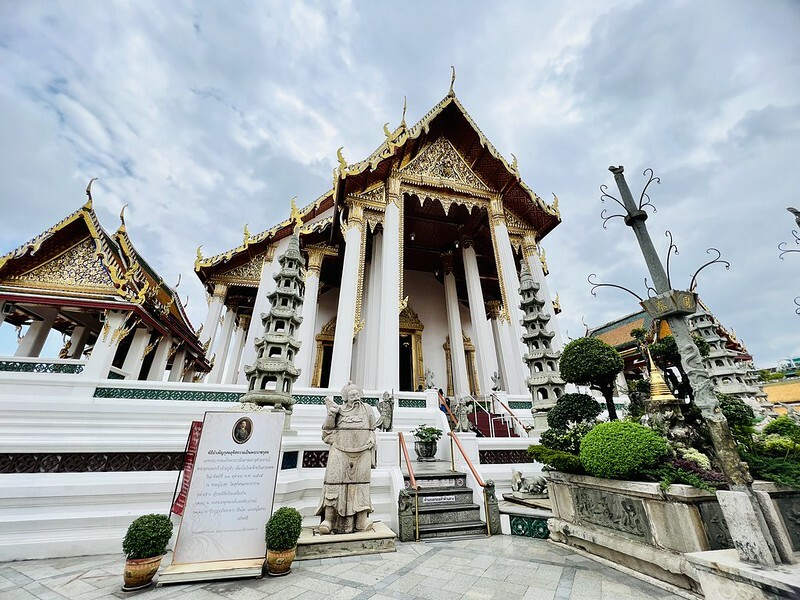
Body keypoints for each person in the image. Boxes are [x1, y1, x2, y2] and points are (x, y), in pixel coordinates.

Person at [316, 381, 377, 534]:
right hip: (340, 451)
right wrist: (331, 414)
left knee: (362, 487)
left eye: (357, 394)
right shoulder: (338, 410)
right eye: (352, 395)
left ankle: (361, 519)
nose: (355, 397)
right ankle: (329, 519)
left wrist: (372, 438)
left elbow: (372, 429)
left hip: (362, 451)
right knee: (333, 483)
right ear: (345, 398)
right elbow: (328, 429)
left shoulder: (367, 409)